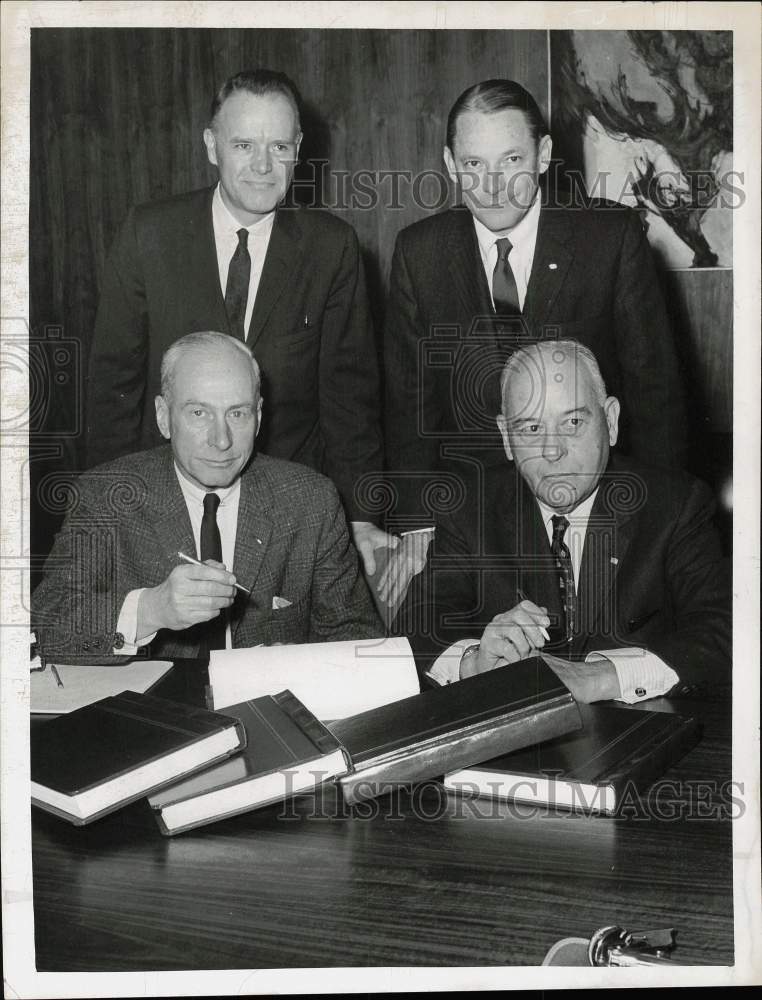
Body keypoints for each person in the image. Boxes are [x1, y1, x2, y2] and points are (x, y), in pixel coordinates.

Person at [382, 78, 687, 604]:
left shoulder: (607, 236)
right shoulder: (419, 252)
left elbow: (654, 394)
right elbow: (409, 403)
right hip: (473, 522)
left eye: (511, 160)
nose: (494, 184)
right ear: (451, 166)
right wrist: (416, 523)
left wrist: (665, 527)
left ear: (544, 155)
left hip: (595, 508)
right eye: (474, 165)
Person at [86, 68, 393, 574]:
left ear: (298, 148)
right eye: (244, 144)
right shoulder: (150, 234)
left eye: (279, 147)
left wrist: (360, 518)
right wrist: (108, 511)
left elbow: (350, 398)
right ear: (212, 146)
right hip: (162, 502)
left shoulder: (331, 246)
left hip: (289, 510)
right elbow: (112, 389)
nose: (262, 166)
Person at [397, 340, 729, 703]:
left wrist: (601, 677)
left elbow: (725, 631)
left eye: (572, 422)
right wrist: (473, 663)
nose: (552, 450)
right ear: (507, 437)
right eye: (531, 429)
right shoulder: (470, 508)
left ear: (611, 421)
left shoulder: (675, 505)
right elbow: (418, 623)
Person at [34, 332, 383, 663]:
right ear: (163, 417)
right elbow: (44, 627)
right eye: (199, 413)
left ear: (259, 417)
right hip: (155, 717)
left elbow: (359, 637)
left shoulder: (310, 501)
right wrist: (152, 609)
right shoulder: (106, 495)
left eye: (237, 413)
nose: (221, 440)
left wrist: (295, 663)